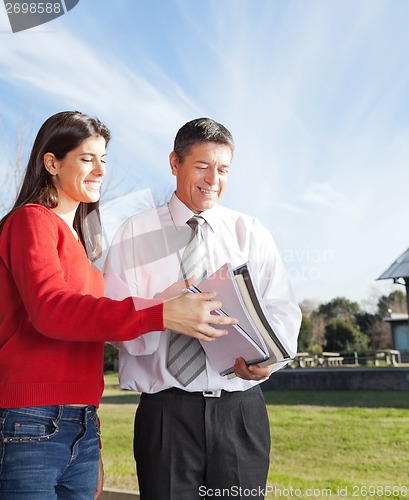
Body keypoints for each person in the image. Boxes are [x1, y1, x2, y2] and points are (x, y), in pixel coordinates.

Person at [0, 111, 237, 500]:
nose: (99, 170)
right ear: (52, 162)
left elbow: (89, 323)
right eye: (86, 158)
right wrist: (160, 314)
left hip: (79, 423)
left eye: (104, 160)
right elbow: (51, 309)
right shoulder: (32, 222)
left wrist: (88, 439)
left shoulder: (81, 244)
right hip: (30, 420)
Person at [103, 117, 302, 500]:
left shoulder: (250, 231)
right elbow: (113, 318)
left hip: (240, 411)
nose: (214, 179)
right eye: (202, 166)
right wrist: (163, 307)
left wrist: (271, 360)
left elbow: (282, 309)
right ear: (174, 163)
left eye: (223, 169)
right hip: (166, 416)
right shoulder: (134, 231)